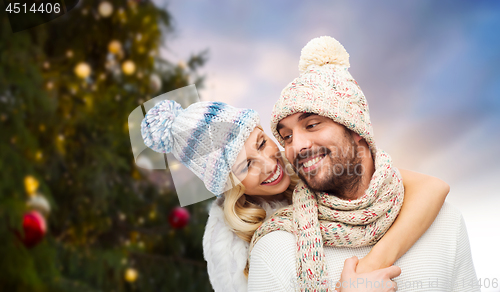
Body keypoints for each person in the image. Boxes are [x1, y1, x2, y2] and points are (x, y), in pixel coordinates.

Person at [141, 97, 450, 291]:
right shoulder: (231, 247)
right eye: (246, 165)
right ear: (227, 184)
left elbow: (432, 187)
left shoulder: (309, 166)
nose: (268, 164)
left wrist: (373, 263)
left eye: (262, 143)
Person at [246, 36, 479, 291]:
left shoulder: (444, 222)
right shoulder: (275, 248)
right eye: (287, 136)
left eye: (312, 125)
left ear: (357, 130)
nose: (296, 146)